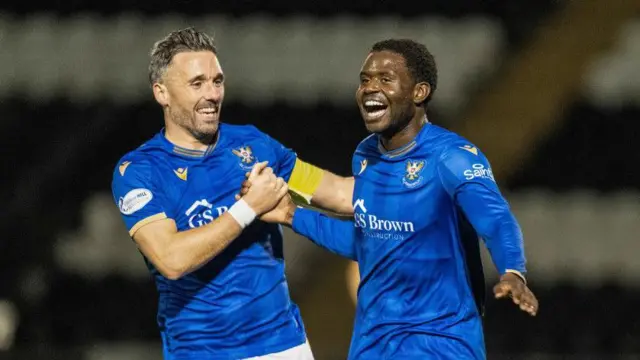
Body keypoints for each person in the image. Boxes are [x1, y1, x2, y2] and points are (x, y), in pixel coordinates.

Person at [251, 39, 539, 359]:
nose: (370, 88)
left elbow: (496, 219)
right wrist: (292, 214)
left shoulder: (452, 157)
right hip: (372, 345)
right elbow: (370, 241)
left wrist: (512, 270)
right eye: (365, 80)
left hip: (439, 342)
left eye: (385, 80)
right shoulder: (366, 154)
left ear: (419, 92)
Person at [110, 27, 353, 360]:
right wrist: (248, 209)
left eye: (217, 81)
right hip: (200, 351)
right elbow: (171, 260)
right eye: (197, 84)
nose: (212, 94)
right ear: (161, 93)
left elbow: (340, 194)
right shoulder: (139, 170)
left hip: (283, 347)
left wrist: (415, 181)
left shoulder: (254, 145)